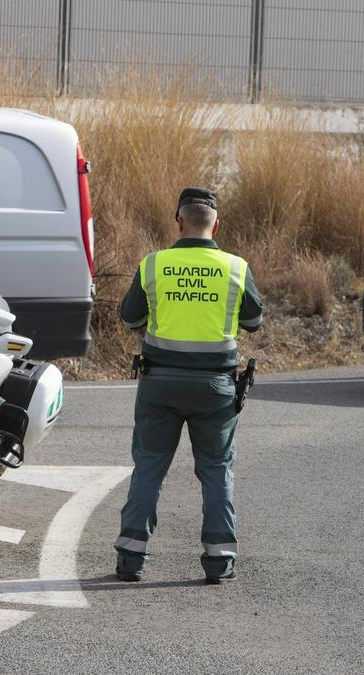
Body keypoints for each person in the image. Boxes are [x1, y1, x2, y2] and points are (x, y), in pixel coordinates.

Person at [114, 187, 264, 585]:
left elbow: (129, 319)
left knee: (149, 465)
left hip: (159, 383)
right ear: (216, 225)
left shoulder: (153, 265)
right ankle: (219, 560)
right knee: (216, 470)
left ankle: (131, 556)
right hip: (215, 388)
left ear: (178, 220)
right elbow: (254, 321)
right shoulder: (235, 267)